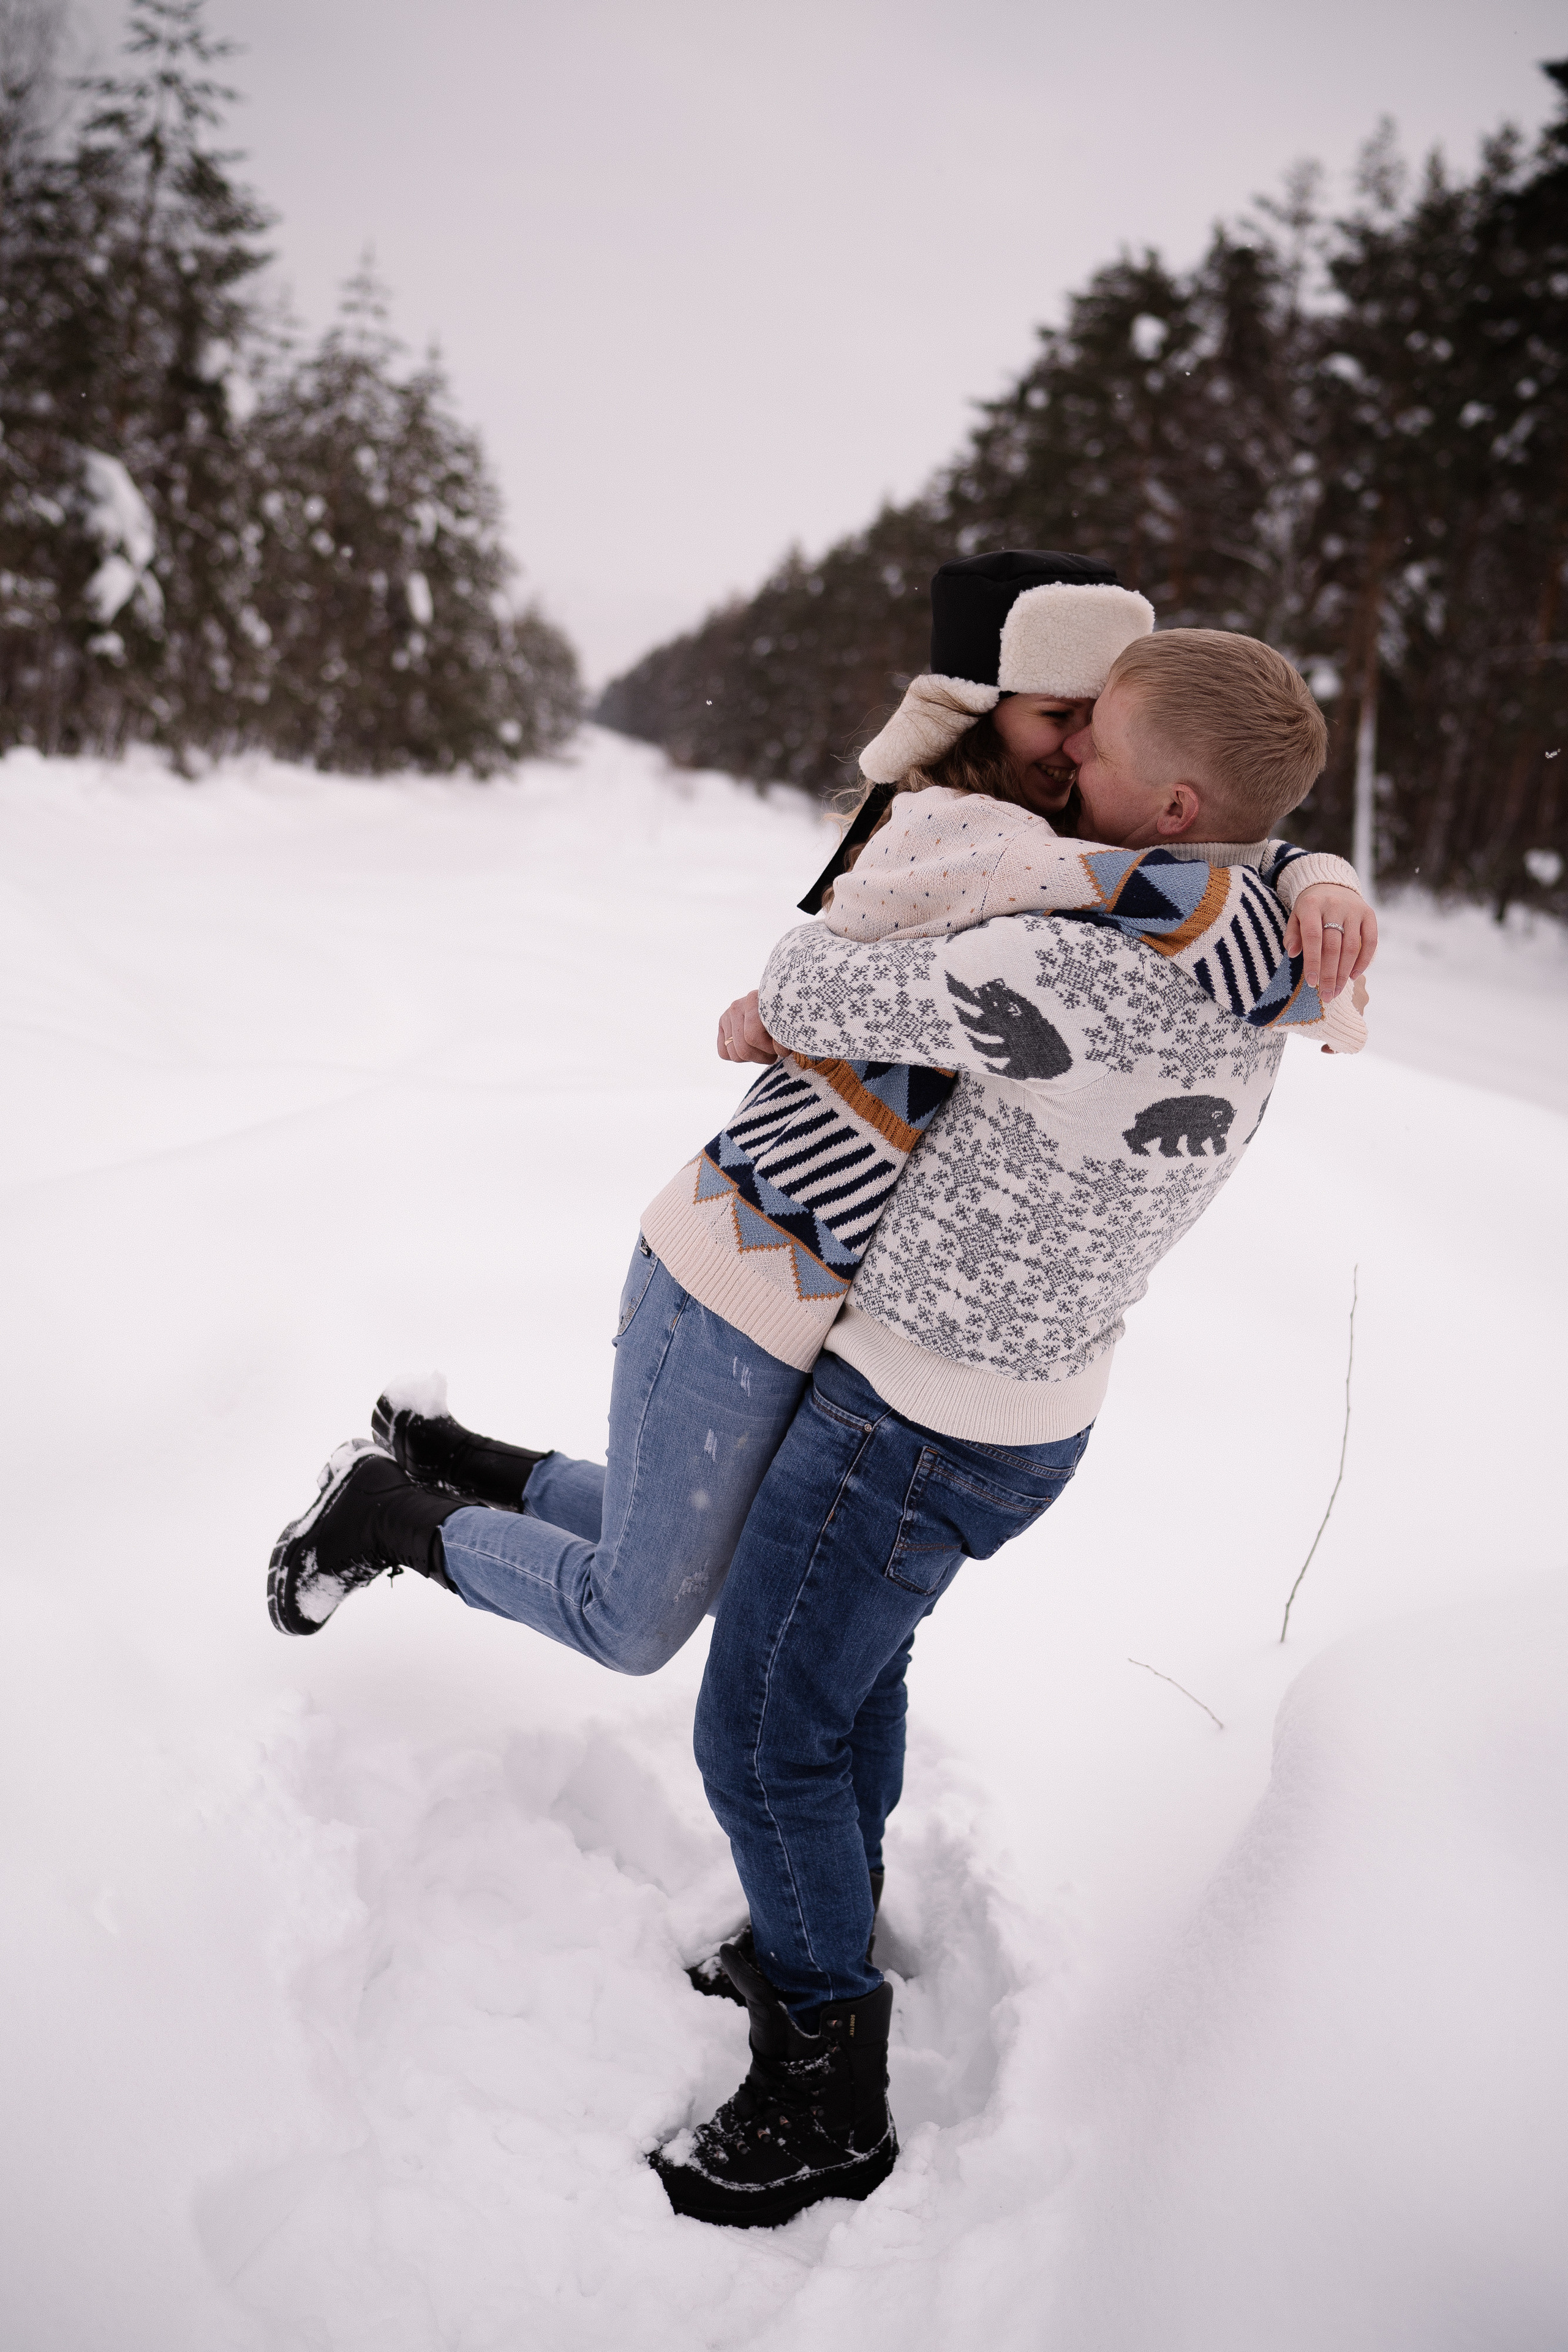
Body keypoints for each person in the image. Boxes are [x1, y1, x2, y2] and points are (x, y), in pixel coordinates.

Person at [267, 557, 1368, 1688]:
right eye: (1062, 717)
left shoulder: (1090, 856)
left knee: (710, 1553)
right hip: (748, 1259)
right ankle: (382, 1515)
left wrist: (1308, 871)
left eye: (1102, 726)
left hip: (834, 1292)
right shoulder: (965, 837)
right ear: (988, 715)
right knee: (635, 1620)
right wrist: (1279, 887)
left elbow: (1207, 840)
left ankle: (450, 1457)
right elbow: (1173, 882)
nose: (1081, 746)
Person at [650, 620, 1373, 2229]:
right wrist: (1321, 870)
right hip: (1031, 1419)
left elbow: (805, 977)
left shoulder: (1068, 968)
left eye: (1091, 751)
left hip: (908, 1415)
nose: (1061, 768)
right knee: (848, 1687)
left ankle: (825, 2074)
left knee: (760, 1737)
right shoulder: (1255, 932)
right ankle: (811, 1930)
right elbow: (1277, 834)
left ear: (1172, 807)